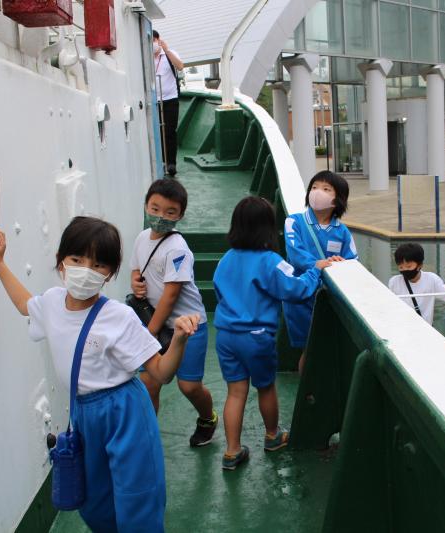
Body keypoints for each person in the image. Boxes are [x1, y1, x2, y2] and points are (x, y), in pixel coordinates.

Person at [0, 217, 198, 532]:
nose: (86, 270)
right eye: (77, 259)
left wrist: (179, 340)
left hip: (125, 410)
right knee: (95, 502)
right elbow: (23, 304)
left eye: (98, 264)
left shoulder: (119, 317)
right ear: (60, 261)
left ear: (110, 273)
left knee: (137, 497)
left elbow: (161, 372)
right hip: (84, 412)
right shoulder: (52, 302)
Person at [213, 197, 331, 470]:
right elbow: (296, 289)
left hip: (226, 336)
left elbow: (220, 292)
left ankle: (232, 451)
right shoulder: (270, 261)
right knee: (265, 387)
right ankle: (272, 435)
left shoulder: (226, 259)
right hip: (256, 337)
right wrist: (315, 270)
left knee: (235, 392)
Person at [129, 178, 217, 447]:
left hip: (188, 327)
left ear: (180, 215)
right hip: (154, 323)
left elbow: (170, 296)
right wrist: (135, 282)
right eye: (155, 209)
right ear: (146, 205)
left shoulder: (177, 249)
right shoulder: (142, 238)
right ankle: (147, 440)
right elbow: (136, 269)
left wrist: (149, 333)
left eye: (170, 212)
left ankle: (207, 418)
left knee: (189, 386)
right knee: (149, 384)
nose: (160, 216)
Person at [283, 170, 357, 373]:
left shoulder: (342, 231)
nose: (317, 192)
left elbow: (352, 260)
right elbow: (295, 253)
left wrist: (340, 263)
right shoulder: (294, 221)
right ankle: (307, 390)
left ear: (338, 198)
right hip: (302, 295)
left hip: (329, 297)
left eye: (326, 189)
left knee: (328, 349)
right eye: (314, 187)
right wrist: (318, 264)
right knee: (309, 349)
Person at [387, 243, 445, 326]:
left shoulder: (431, 279)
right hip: (401, 327)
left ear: (420, 265)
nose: (405, 270)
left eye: (409, 267)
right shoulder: (394, 282)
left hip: (423, 329)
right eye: (401, 267)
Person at [152, 30, 184, 177]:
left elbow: (180, 66)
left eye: (153, 41)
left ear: (158, 40)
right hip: (154, 100)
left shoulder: (169, 54)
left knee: (170, 131)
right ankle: (161, 161)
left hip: (170, 98)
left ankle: (171, 163)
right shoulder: (146, 57)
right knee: (157, 132)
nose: (152, 45)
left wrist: (167, 50)